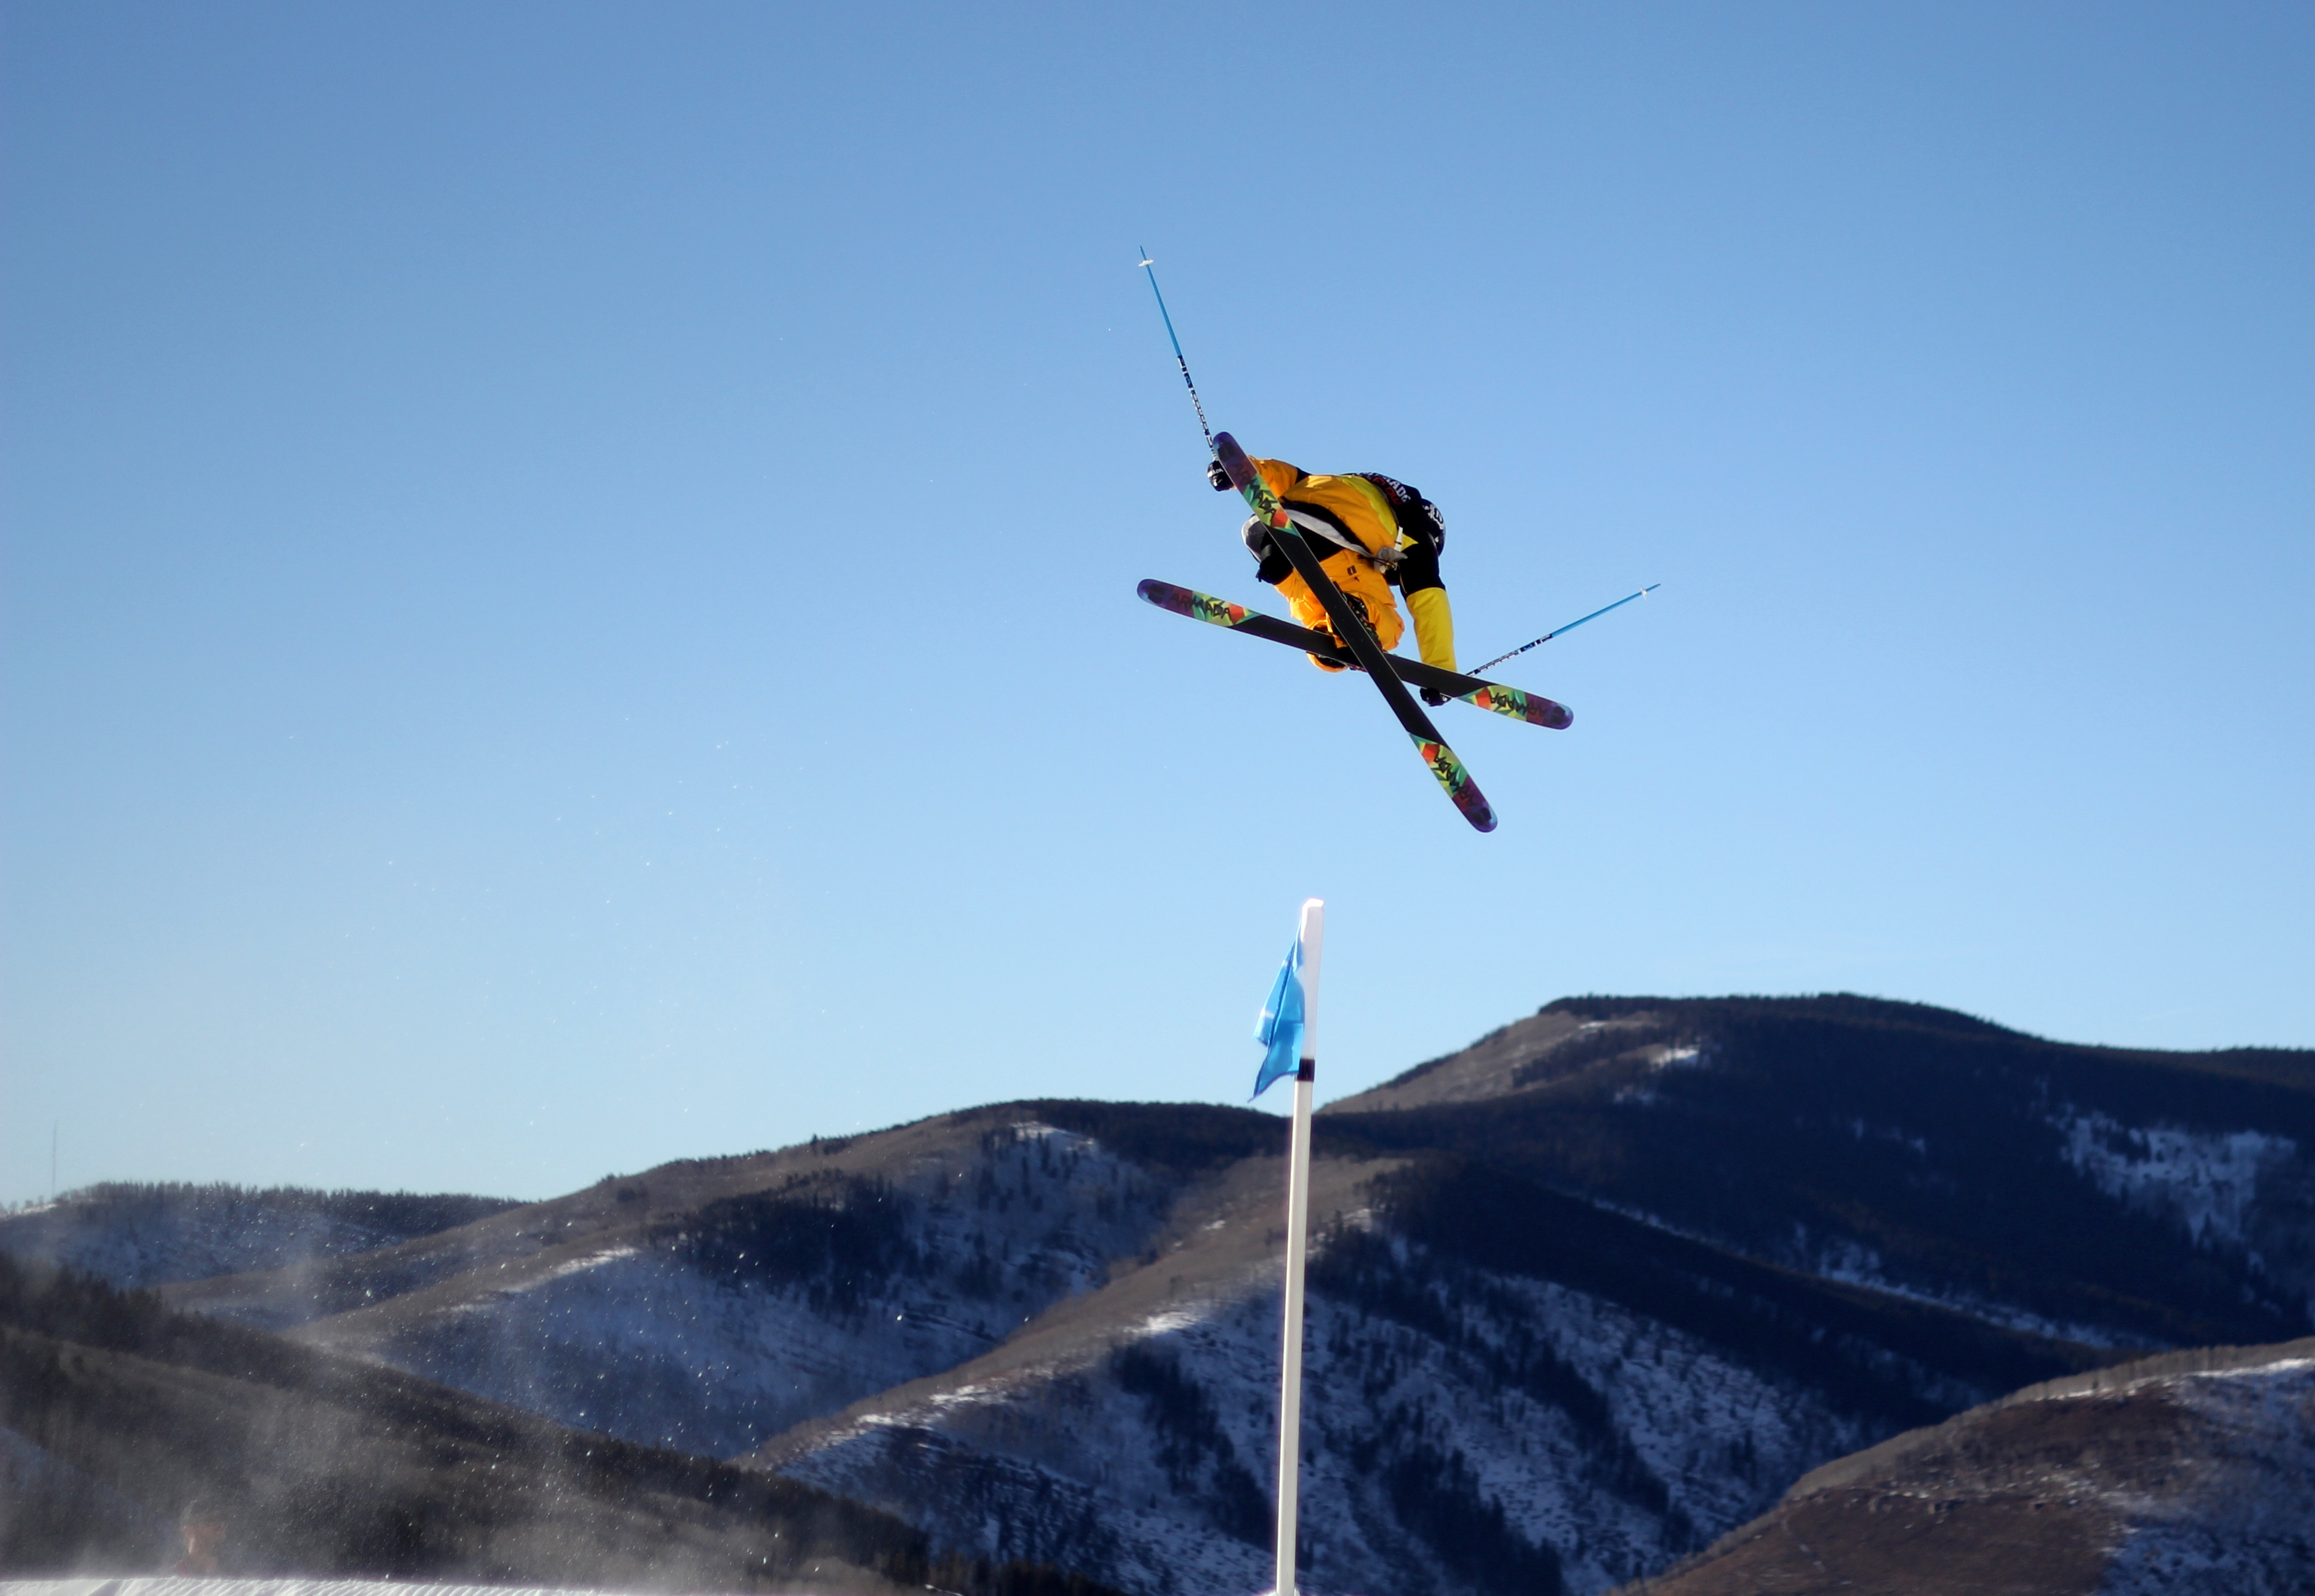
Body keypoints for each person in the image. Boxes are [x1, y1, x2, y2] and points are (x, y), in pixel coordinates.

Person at [1211, 454, 1458, 702]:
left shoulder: (1335, 482)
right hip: (1332, 537)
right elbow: (1428, 601)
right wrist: (1441, 672)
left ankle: (1328, 642)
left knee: (1314, 611)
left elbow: (1284, 475)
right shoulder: (1416, 531)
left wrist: (1239, 468)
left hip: (1268, 533)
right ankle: (1357, 616)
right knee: (1390, 626)